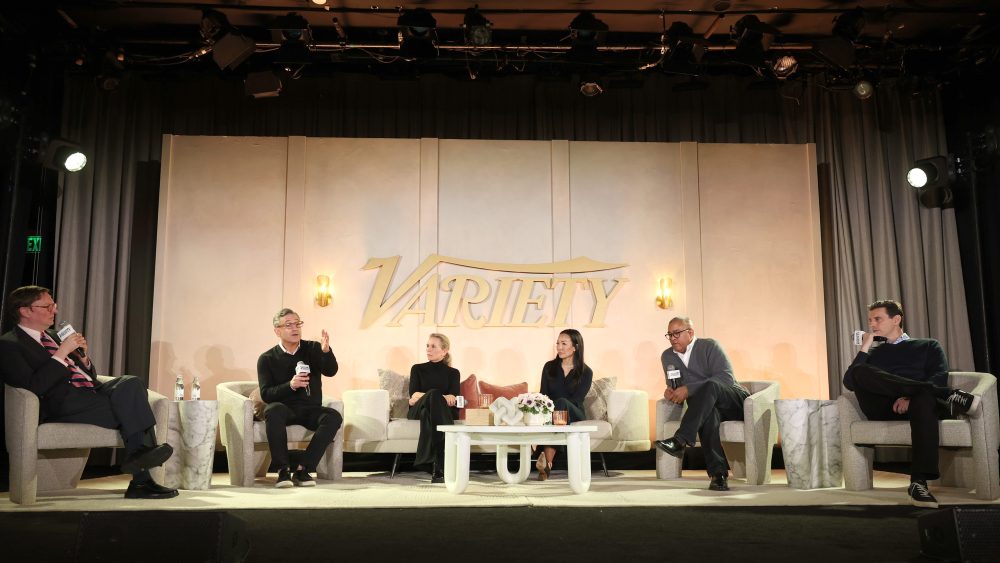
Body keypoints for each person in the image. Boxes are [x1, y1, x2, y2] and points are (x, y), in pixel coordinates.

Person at [0, 286, 177, 499]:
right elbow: (33, 386)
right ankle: (141, 476)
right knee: (133, 408)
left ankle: (138, 458)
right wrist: (61, 353)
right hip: (60, 402)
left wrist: (83, 358)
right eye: (47, 306)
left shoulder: (55, 336)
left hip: (90, 393)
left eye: (54, 306)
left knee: (131, 383)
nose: (54, 311)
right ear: (25, 311)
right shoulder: (9, 344)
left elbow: (88, 377)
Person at [843, 299, 977, 508]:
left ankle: (918, 483)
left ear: (896, 319)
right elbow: (849, 382)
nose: (872, 325)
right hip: (882, 407)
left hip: (919, 406)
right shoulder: (873, 353)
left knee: (924, 398)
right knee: (859, 371)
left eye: (878, 319)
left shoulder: (928, 345)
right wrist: (865, 347)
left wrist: (910, 397)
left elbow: (938, 375)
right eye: (870, 320)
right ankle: (948, 395)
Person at [654, 316, 749, 491]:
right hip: (706, 407)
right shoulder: (667, 356)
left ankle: (680, 440)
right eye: (669, 335)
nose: (672, 338)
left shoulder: (709, 346)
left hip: (732, 399)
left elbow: (725, 378)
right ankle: (718, 475)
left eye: (676, 334)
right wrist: (669, 391)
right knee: (708, 416)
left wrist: (689, 390)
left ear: (690, 332)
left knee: (711, 385)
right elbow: (674, 383)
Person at [257, 308, 342, 488]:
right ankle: (282, 471)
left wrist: (326, 352)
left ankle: (304, 469)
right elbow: (266, 394)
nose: (295, 328)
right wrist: (291, 385)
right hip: (285, 409)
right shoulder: (266, 359)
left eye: (298, 324)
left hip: (310, 409)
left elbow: (331, 371)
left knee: (333, 416)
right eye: (289, 325)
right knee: (273, 410)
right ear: (277, 331)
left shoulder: (313, 348)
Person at [535, 329, 593, 481]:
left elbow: (577, 399)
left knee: (561, 403)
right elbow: (543, 395)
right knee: (551, 411)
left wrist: (555, 410)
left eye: (563, 343)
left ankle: (544, 458)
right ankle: (547, 465)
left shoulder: (586, 372)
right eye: (558, 343)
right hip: (553, 414)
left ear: (575, 347)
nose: (559, 347)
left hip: (575, 413)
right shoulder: (549, 367)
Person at [407, 333, 460, 484]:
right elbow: (414, 394)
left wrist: (429, 397)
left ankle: (437, 465)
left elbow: (454, 398)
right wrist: (440, 397)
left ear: (444, 351)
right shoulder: (417, 369)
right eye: (427, 345)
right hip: (416, 410)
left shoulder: (453, 373)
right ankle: (441, 460)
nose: (428, 349)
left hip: (432, 411)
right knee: (434, 395)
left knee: (428, 412)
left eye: (433, 346)